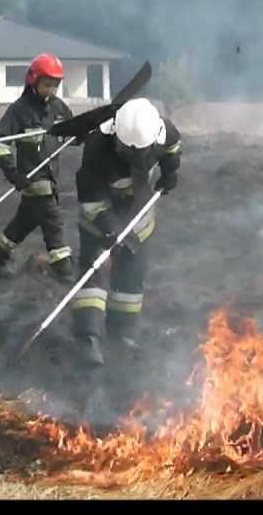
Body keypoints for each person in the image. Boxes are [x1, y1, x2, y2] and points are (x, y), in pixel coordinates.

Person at [69, 98, 181, 370]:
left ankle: (121, 336)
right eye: (128, 152)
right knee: (92, 274)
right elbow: (91, 197)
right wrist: (110, 231)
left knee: (130, 281)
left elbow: (173, 148)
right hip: (100, 219)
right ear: (116, 138)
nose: (135, 158)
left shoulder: (162, 131)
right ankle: (88, 338)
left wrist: (170, 173)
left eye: (141, 152)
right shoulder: (97, 147)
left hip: (138, 218)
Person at [0, 53, 76, 283]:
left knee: (19, 227)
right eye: (46, 85)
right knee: (54, 227)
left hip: (50, 183)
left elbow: (73, 130)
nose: (50, 90)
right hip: (34, 182)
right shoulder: (19, 110)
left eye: (55, 86)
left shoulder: (58, 108)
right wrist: (13, 173)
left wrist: (85, 130)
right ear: (33, 82)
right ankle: (65, 273)